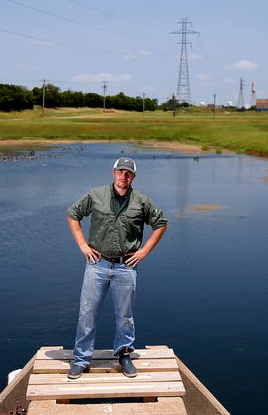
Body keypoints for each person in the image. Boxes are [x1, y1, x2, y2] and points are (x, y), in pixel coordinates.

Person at [66, 157, 168, 379]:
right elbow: (73, 214)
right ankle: (81, 359)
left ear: (134, 176)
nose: (124, 176)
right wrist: (83, 245)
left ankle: (124, 355)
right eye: (121, 171)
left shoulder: (141, 201)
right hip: (97, 264)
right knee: (87, 313)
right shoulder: (95, 195)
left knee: (124, 316)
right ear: (113, 172)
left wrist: (144, 252)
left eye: (128, 173)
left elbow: (161, 224)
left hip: (126, 267)